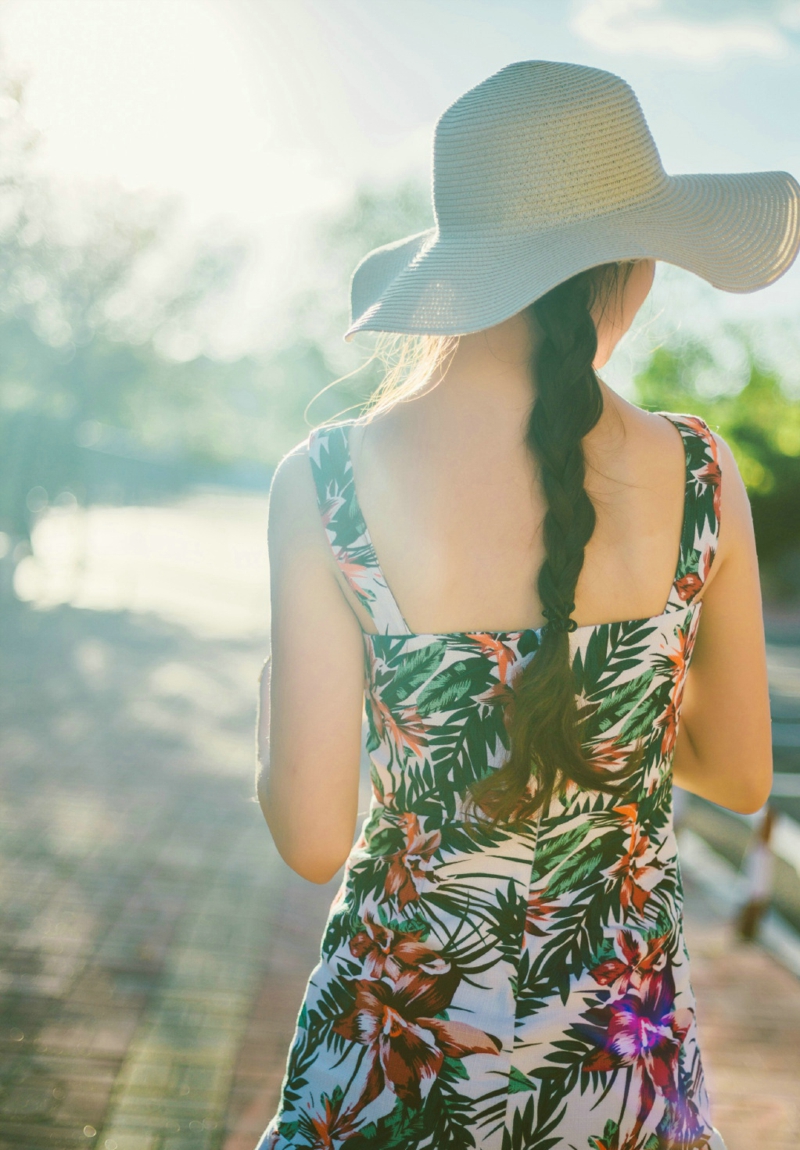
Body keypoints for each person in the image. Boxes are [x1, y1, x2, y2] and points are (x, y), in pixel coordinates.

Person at [255, 60, 798, 1150]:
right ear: (633, 267)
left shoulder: (325, 481)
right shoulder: (697, 475)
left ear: (459, 271)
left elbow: (313, 838)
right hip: (620, 1073)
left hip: (388, 1058)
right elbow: (740, 772)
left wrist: (272, 707)